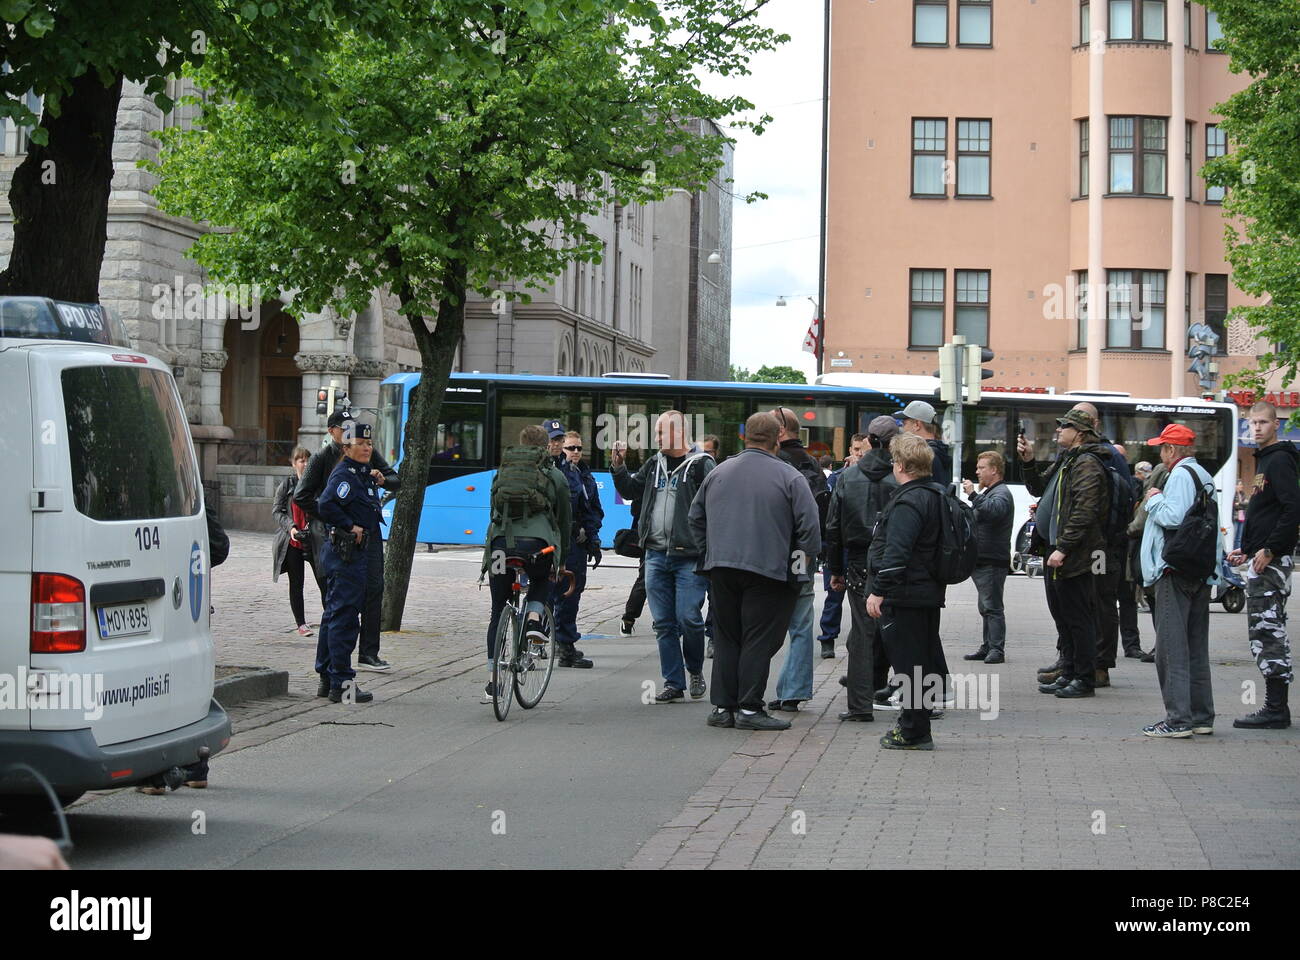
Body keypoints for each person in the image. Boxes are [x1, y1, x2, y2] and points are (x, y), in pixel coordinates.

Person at [688, 412, 821, 731]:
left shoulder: (719, 472)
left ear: (744, 437)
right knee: (758, 639)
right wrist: (798, 570)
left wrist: (710, 553)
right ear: (778, 439)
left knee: (727, 637)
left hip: (722, 568)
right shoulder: (789, 477)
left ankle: (722, 708)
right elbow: (810, 531)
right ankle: (749, 708)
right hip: (769, 571)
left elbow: (695, 517)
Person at [612, 410, 714, 701]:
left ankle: (694, 669)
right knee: (663, 624)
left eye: (660, 433)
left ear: (679, 432)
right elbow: (631, 491)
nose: (656, 438)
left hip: (689, 556)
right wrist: (618, 466)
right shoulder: (654, 463)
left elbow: (716, 504)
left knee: (689, 619)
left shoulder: (701, 464)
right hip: (655, 554)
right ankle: (674, 682)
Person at [294, 408, 400, 672]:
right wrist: (339, 520)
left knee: (373, 589)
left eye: (368, 442)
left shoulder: (364, 455)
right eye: (345, 429)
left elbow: (395, 479)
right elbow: (304, 497)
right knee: (339, 603)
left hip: (368, 536)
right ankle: (332, 672)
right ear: (333, 432)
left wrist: (382, 477)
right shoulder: (325, 460)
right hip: (337, 538)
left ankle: (367, 653)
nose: (364, 446)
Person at [1020, 408, 1109, 699]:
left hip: (1075, 555)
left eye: (1065, 426)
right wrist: (1028, 461)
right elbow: (1038, 488)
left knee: (1078, 618)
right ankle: (1069, 670)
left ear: (1081, 433)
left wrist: (1063, 547)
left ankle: (1084, 679)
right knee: (1065, 615)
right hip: (1059, 552)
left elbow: (1084, 512)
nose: (1059, 430)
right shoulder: (1068, 460)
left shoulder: (1087, 464)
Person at [1138, 424, 1220, 737]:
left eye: (1162, 448)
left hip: (1175, 571)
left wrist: (1154, 498)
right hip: (1198, 570)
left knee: (1171, 649)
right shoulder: (1203, 476)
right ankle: (1200, 716)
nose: (1160, 454)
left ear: (1173, 450)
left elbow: (1173, 517)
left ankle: (1177, 720)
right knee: (1195, 647)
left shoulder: (1181, 476)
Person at [865, 433, 947, 750]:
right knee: (921, 663)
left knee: (908, 665)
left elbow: (896, 552)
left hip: (906, 594)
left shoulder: (907, 501)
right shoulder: (937, 494)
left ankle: (913, 730)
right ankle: (918, 724)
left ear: (900, 465)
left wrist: (878, 591)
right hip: (928, 591)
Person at [480, 424, 572, 703]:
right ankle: (533, 620)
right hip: (537, 546)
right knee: (543, 580)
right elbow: (564, 519)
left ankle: (493, 681)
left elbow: (493, 511)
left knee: (499, 609)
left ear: (519, 443)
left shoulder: (503, 472)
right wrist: (562, 559)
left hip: (500, 547)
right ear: (547, 447)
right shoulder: (554, 474)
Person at [1227, 401, 1300, 729]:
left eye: (1262, 422)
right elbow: (1267, 512)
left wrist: (1269, 550)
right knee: (1264, 629)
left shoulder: (1280, 460)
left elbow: (1291, 510)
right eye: (1252, 423)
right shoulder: (1265, 461)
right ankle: (1275, 708)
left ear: (1275, 425)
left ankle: (1276, 709)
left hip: (1272, 563)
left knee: (1267, 631)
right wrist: (1249, 548)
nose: (1256, 428)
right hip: (1262, 558)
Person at [826, 419, 898, 722]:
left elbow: (833, 527)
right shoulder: (900, 477)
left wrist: (835, 570)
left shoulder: (849, 476)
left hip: (857, 561)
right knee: (902, 630)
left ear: (869, 440)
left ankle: (859, 705)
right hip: (895, 559)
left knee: (861, 632)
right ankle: (918, 702)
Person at [315, 421, 384, 704]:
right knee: (344, 619)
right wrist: (349, 525)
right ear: (347, 447)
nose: (367, 448)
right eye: (361, 444)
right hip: (347, 555)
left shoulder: (360, 474)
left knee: (333, 615)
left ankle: (326, 677)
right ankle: (341, 683)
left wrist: (374, 477)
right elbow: (326, 504)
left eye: (369, 444)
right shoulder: (344, 476)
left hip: (354, 555)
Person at [767, 406, 830, 712]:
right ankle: (794, 691)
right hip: (802, 555)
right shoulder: (814, 465)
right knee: (802, 624)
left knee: (761, 620)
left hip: (772, 555)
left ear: (779, 432)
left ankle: (749, 689)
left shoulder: (773, 463)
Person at [552, 426, 602, 668]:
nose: (575, 452)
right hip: (563, 541)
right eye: (570, 448)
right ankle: (561, 644)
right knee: (562, 592)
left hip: (578, 543)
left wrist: (592, 539)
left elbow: (593, 508)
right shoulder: (560, 472)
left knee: (572, 591)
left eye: (579, 448)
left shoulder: (584, 473)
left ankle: (562, 643)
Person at [816, 433, 867, 660]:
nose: (858, 453)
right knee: (833, 596)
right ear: (849, 449)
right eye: (855, 449)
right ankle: (828, 638)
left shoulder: (871, 478)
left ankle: (860, 641)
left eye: (862, 449)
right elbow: (829, 514)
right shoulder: (837, 477)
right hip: (839, 545)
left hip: (858, 546)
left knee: (862, 599)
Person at [961, 450, 1014, 664]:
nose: (977, 472)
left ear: (994, 470)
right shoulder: (993, 492)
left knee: (992, 606)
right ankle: (988, 646)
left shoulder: (1001, 493)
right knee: (986, 605)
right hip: (984, 558)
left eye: (981, 468)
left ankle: (996, 650)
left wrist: (973, 495)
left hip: (993, 559)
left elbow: (994, 511)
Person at [272, 446, 322, 637]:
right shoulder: (287, 485)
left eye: (308, 460)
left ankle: (330, 619)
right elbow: (277, 510)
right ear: (294, 464)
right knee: (296, 583)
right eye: (301, 460)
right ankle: (301, 624)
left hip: (314, 539)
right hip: (293, 540)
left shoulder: (316, 484)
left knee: (324, 580)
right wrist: (291, 527)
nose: (305, 463)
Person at [895, 400, 952, 485]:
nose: (903, 429)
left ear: (917, 425)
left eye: (904, 424)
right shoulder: (939, 451)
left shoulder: (923, 455)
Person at [1233, 479, 1249, 551]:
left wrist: (1239, 503)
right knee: (1234, 537)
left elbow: (1247, 504)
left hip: (1242, 518)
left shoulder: (1242, 494)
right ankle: (1233, 551)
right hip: (1236, 518)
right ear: (1236, 486)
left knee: (1239, 537)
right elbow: (1234, 506)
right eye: (1240, 484)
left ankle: (1238, 551)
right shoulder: (1234, 495)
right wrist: (1241, 504)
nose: (1241, 486)